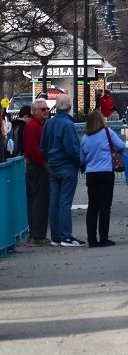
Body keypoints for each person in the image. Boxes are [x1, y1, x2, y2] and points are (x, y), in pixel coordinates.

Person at [40, 94, 85, 247]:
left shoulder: (48, 124)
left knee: (55, 202)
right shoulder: (68, 125)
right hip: (67, 165)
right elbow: (72, 149)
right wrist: (79, 163)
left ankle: (56, 236)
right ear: (69, 107)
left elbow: (43, 148)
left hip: (53, 165)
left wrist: (49, 160)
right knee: (65, 201)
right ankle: (66, 236)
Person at [79, 110, 123, 247]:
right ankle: (104, 238)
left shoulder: (85, 138)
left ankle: (91, 239)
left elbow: (82, 159)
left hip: (91, 174)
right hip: (106, 172)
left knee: (92, 207)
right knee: (105, 207)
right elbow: (121, 146)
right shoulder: (107, 132)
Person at [22, 99, 50, 246]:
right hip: (37, 167)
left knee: (37, 201)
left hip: (36, 165)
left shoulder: (37, 125)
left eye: (47, 109)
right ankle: (38, 237)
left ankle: (35, 234)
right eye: (43, 109)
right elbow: (33, 150)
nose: (46, 111)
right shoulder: (33, 127)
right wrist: (43, 164)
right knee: (40, 201)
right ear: (35, 112)